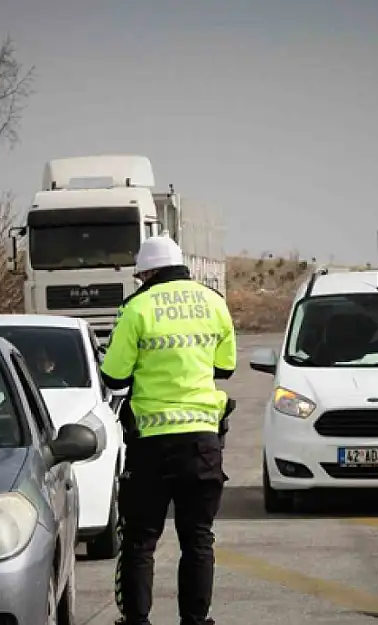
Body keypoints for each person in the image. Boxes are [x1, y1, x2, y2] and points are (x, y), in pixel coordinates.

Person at [100, 235, 237, 625]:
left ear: (146, 271)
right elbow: (225, 367)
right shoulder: (214, 303)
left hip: (151, 445)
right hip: (202, 442)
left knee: (141, 541)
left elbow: (113, 376)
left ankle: (138, 621)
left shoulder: (136, 308)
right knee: (197, 539)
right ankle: (195, 621)